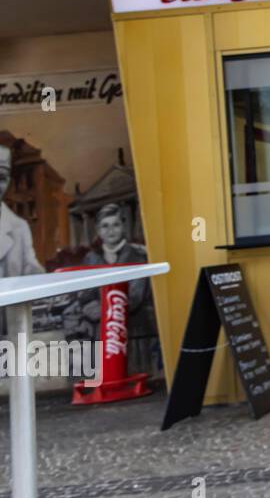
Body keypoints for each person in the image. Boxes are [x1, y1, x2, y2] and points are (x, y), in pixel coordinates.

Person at [65, 203, 160, 375]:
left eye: (115, 225)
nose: (111, 231)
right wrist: (94, 310)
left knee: (134, 374)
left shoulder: (137, 256)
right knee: (107, 375)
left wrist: (102, 311)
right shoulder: (91, 259)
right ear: (99, 231)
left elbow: (135, 297)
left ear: (123, 226)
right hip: (101, 332)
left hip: (133, 330)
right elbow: (85, 294)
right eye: (105, 226)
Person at [0, 144, 42, 280]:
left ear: (8, 182)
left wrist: (42, 279)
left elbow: (30, 267)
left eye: (1, 177)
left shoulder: (19, 227)